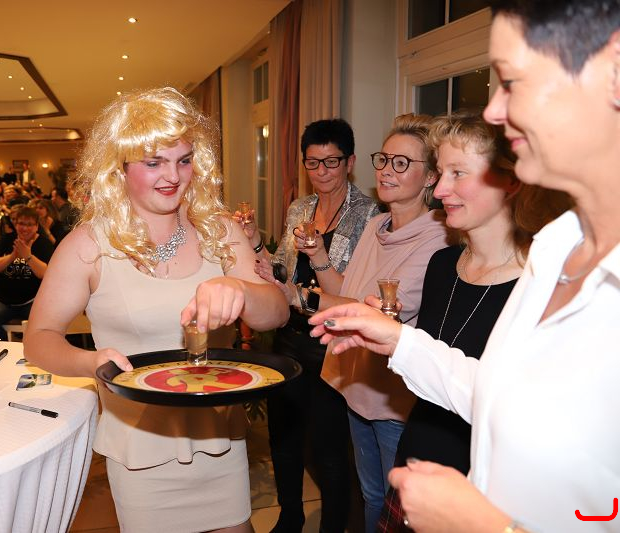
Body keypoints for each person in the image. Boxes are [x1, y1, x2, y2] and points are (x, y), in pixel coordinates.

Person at [308, 2, 620, 531]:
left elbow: (600, 510)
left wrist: (485, 525)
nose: (494, 110)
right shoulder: (555, 249)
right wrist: (399, 340)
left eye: (511, 81)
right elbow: (503, 398)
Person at [23, 87, 289, 533]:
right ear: (120, 167)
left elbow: (276, 313)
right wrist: (91, 361)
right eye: (154, 163)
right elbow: (39, 339)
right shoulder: (88, 246)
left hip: (218, 439)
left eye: (184, 160)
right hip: (140, 448)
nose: (173, 176)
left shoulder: (220, 232)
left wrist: (240, 288)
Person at [376, 111, 571, 531]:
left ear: (510, 182)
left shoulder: (542, 285)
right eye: (441, 173)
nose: (439, 190)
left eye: (458, 173)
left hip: (481, 495)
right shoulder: (441, 263)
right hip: (415, 465)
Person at [315, 114, 452, 533]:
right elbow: (347, 290)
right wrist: (317, 257)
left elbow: (374, 314)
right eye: (384, 159)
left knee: (397, 505)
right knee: (371, 494)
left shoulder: (439, 238)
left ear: (431, 177)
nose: (387, 171)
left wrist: (300, 299)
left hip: (394, 396)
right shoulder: (377, 224)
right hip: (358, 382)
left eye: (402, 163)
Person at [241, 118, 379, 533]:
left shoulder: (369, 214)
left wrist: (319, 255)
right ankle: (290, 517)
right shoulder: (300, 208)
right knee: (283, 438)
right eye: (313, 162)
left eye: (331, 162)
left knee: (328, 449)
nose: (322, 172)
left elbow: (355, 291)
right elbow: (282, 271)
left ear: (350, 162)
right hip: (290, 337)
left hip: (332, 342)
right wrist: (254, 241)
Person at [0, 205, 54, 340]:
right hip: (2, 300)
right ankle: (6, 348)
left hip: (33, 300)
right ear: (15, 224)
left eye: (30, 224)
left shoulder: (43, 244)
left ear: (36, 226)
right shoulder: (6, 239)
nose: (25, 228)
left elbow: (45, 273)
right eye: (21, 224)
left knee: (48, 323)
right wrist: (12, 256)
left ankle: (34, 350)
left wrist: (28, 256)